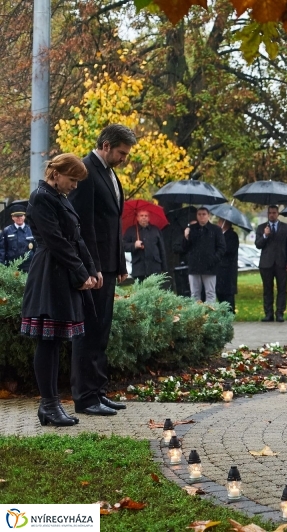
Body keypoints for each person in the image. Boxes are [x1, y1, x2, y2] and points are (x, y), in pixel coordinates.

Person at [21, 154, 97, 426]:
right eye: (72, 179)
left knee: (55, 342)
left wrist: (91, 269)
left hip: (62, 272)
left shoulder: (60, 198)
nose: (74, 185)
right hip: (49, 274)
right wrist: (80, 272)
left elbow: (76, 237)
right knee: (47, 340)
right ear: (56, 173)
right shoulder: (41, 197)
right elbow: (56, 241)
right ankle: (49, 405)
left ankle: (50, 406)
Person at [69, 124, 133, 416]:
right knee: (89, 331)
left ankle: (97, 391)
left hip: (107, 267)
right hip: (93, 268)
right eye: (121, 153)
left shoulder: (109, 172)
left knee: (101, 331)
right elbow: (84, 226)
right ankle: (84, 397)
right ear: (106, 145)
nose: (124, 158)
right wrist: (91, 268)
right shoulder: (85, 170)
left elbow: (112, 224)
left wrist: (119, 265)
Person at [255, 205, 287, 322]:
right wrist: (265, 235)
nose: (272, 215)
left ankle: (280, 313)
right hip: (266, 264)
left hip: (281, 263)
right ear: (267, 214)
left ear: (278, 214)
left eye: (274, 213)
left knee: (282, 289)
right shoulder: (261, 227)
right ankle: (269, 314)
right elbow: (258, 244)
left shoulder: (286, 227)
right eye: (270, 213)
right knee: (267, 289)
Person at [182, 206, 225, 303]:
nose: (201, 217)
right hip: (194, 266)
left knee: (210, 293)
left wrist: (214, 259)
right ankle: (196, 315)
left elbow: (222, 248)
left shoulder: (216, 230)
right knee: (194, 294)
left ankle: (210, 315)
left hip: (210, 266)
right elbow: (185, 248)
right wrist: (186, 237)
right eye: (199, 214)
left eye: (204, 214)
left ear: (208, 215)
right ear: (196, 216)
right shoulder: (191, 229)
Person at [122, 211, 167, 282]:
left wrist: (164, 268)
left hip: (154, 267)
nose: (144, 217)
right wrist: (134, 245)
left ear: (149, 218)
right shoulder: (131, 230)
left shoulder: (156, 230)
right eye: (141, 215)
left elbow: (162, 250)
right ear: (137, 218)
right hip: (138, 269)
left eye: (146, 216)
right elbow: (123, 246)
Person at [216, 218, 239, 313]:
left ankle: (230, 312)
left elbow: (228, 250)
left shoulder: (232, 236)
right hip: (218, 269)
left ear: (225, 223)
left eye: (220, 221)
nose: (218, 223)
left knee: (228, 293)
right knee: (219, 292)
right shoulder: (218, 235)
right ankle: (223, 311)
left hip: (228, 270)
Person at [1, 207, 35, 272]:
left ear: (24, 217)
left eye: (21, 216)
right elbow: (3, 248)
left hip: (29, 265)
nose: (19, 218)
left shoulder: (31, 230)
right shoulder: (7, 231)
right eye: (16, 216)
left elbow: (36, 247)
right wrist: (2, 264)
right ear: (12, 217)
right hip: (12, 264)